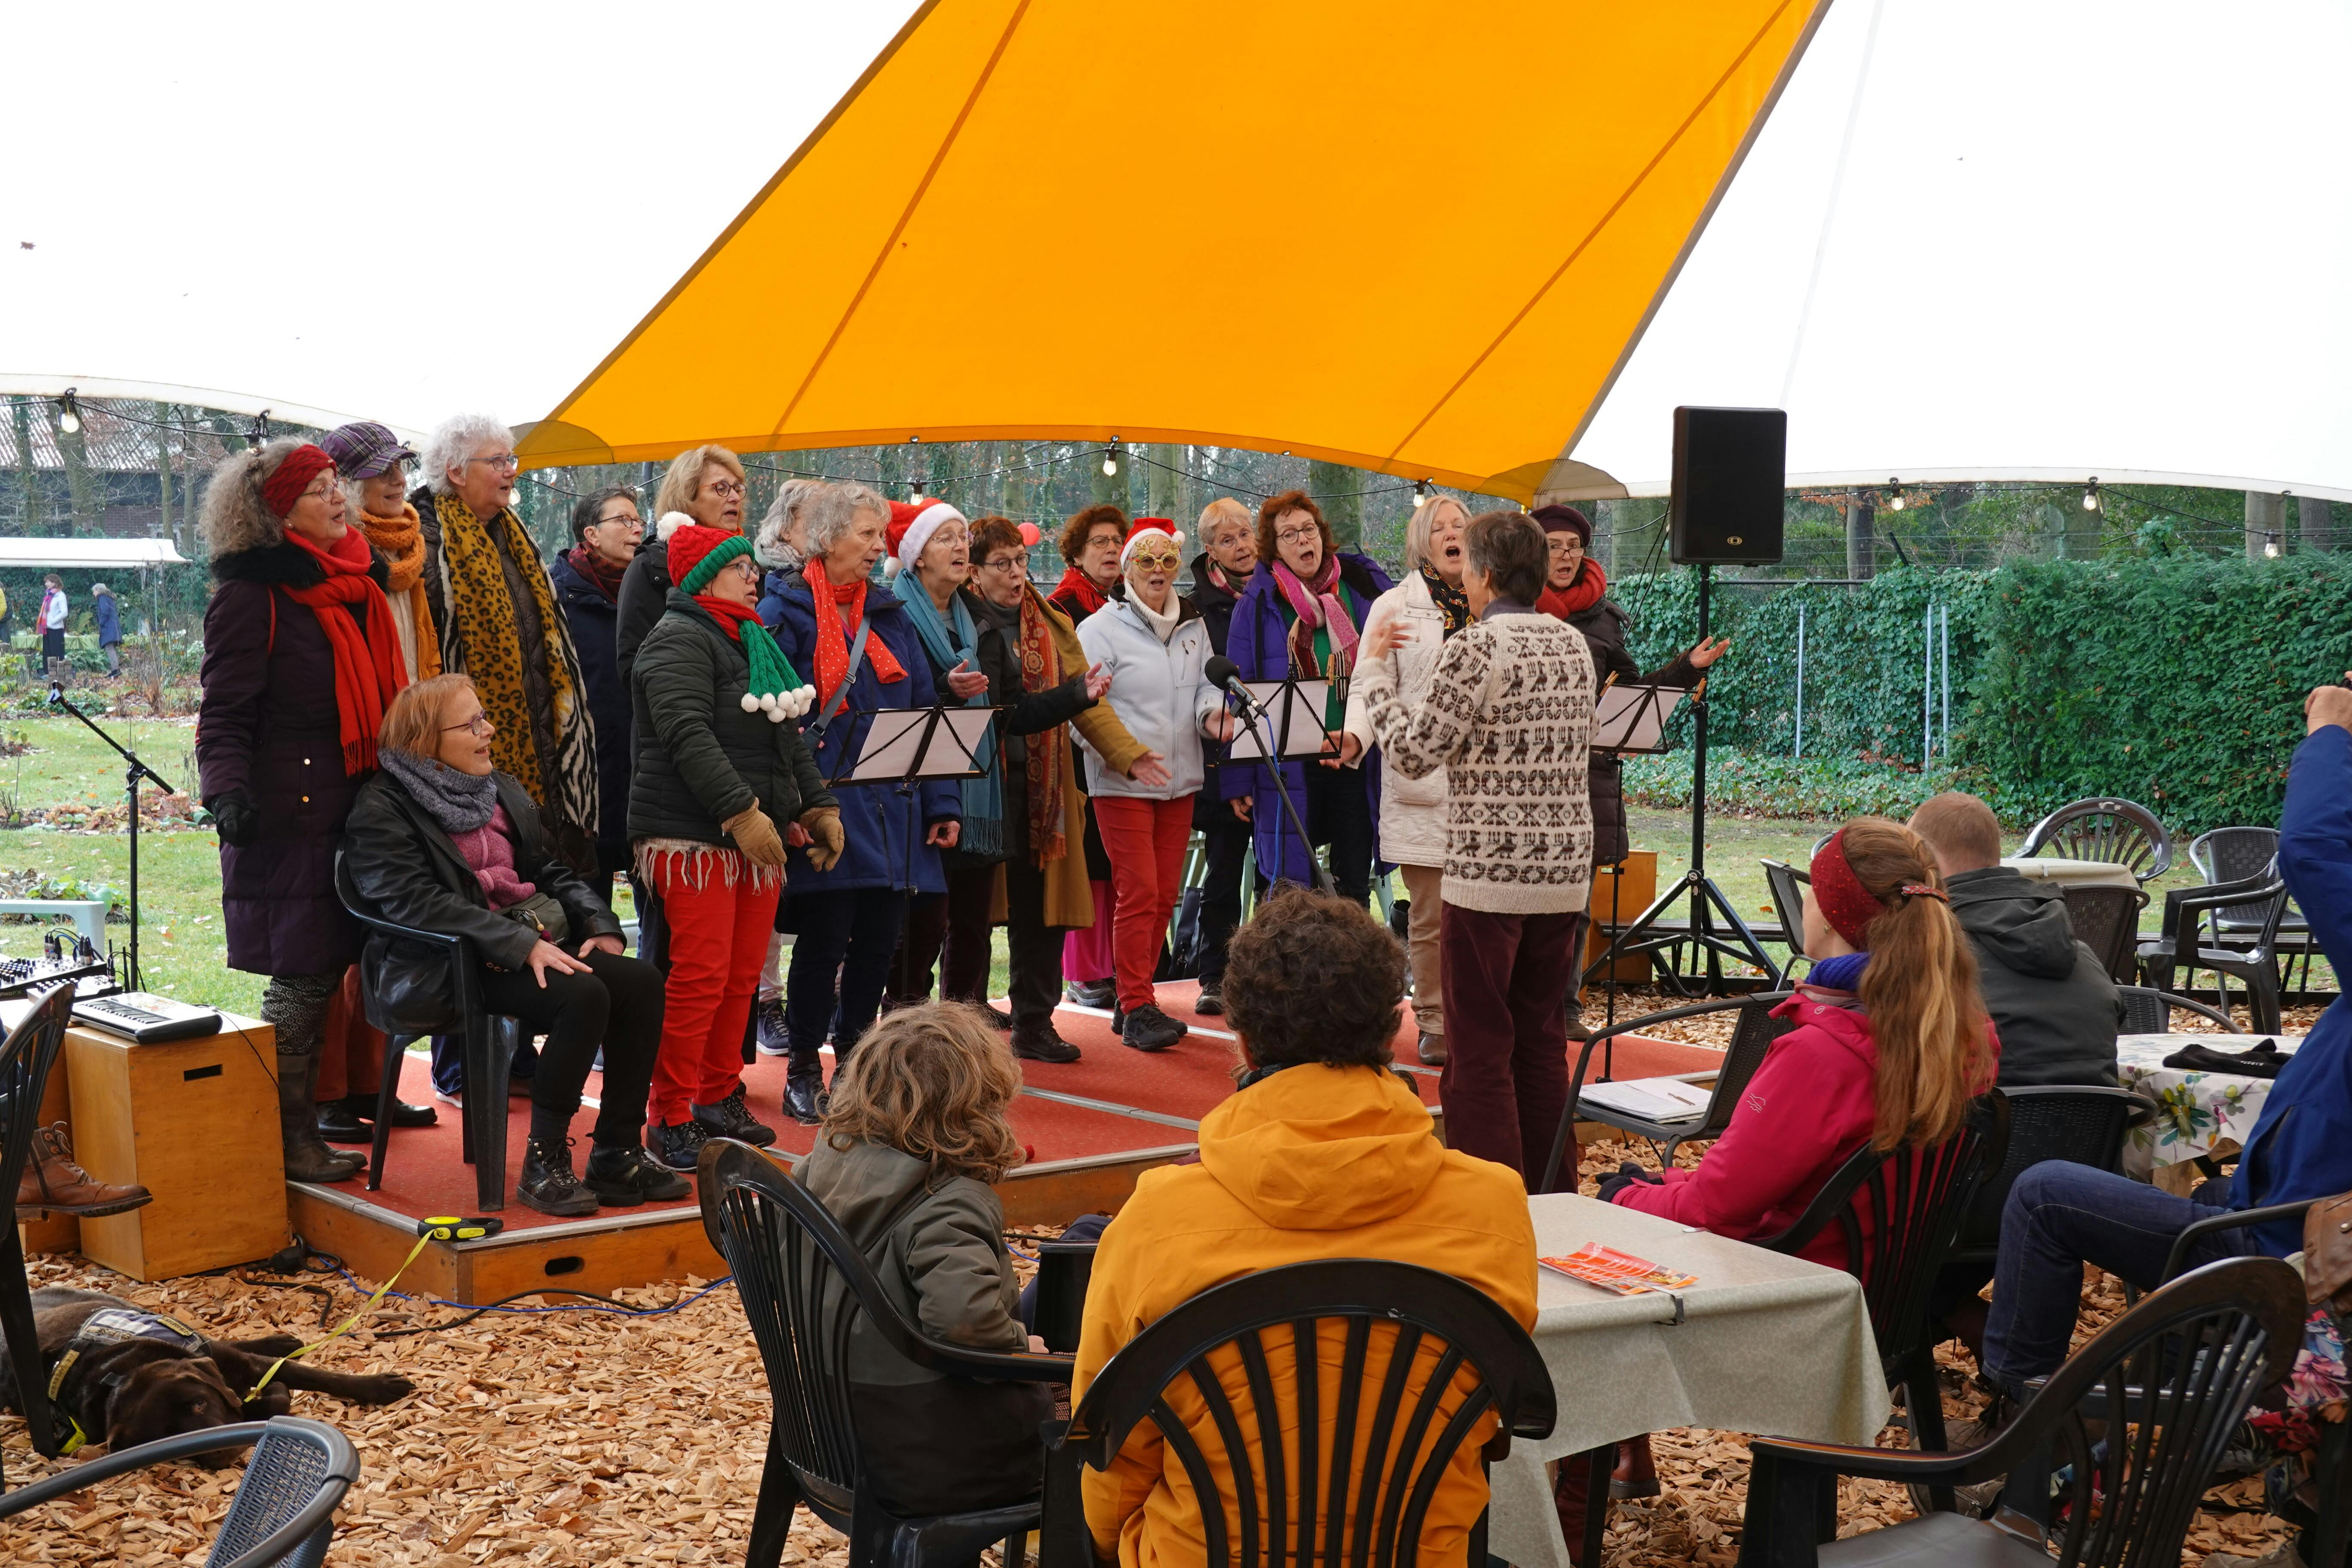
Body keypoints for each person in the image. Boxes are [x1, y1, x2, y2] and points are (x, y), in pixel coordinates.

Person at [1072, 891, 1537, 1568]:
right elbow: (1491, 1429)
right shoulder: (1493, 1206)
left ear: (1241, 1038)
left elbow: (1111, 1446)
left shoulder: (1160, 1217)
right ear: (1388, 1033)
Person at [1593, 817, 1999, 1536]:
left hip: (1788, 1308)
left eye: (1812, 892)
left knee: (1600, 1235)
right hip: (1884, 1299)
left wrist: (1622, 1195)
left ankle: (1581, 1505)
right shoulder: (1961, 1032)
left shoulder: (1822, 1055)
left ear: (1835, 916)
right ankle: (1634, 1460)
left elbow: (1713, 1208)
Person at [1981, 686, 2352, 1410]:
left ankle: (2014, 1419)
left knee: (2043, 1192)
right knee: (2184, 1190)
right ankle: (2180, 1399)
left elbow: (2311, 848)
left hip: (2273, 1258)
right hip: (2266, 1220)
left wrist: (2329, 731)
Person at [345, 676, 686, 1213]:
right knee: (583, 994)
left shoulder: (496, 787)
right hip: (442, 964)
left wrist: (600, 923)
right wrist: (516, 942)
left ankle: (616, 1152)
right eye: (472, 724)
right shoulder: (383, 806)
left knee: (641, 981)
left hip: (523, 942)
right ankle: (544, 1161)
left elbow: (548, 868)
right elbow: (412, 901)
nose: (491, 730)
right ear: (425, 740)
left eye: (484, 717)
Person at [1355, 510, 1592, 1187]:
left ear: (1485, 573)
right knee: (1542, 1044)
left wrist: (1374, 678)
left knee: (1481, 1048)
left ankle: (1491, 1200)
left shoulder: (1477, 646)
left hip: (1490, 875)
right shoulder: (1572, 644)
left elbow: (1413, 750)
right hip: (1563, 872)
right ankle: (1556, 1196)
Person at [197, 440, 408, 1183]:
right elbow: (223, 712)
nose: (338, 498)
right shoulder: (252, 595)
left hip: (356, 804)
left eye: (334, 485)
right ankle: (287, 1141)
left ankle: (305, 1128)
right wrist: (227, 793)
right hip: (285, 814)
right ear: (276, 509)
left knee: (330, 973)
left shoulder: (351, 581)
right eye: (320, 489)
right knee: (302, 976)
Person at [796, 1001, 1054, 1515]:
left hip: (825, 1430)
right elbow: (964, 1324)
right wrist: (1028, 1350)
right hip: (931, 1453)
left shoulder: (821, 1162)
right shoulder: (947, 1201)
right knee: (1099, 1407)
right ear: (978, 1104)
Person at [631, 523, 832, 1170]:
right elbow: (687, 736)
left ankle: (717, 1097)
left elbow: (786, 741)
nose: (755, 575)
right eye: (738, 566)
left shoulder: (750, 639)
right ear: (701, 579)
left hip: (752, 837)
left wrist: (816, 804)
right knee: (700, 978)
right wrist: (743, 813)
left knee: (742, 978)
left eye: (753, 564)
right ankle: (668, 1115)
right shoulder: (677, 640)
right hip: (692, 837)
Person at [770, 482, 957, 1125]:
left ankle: (854, 1065)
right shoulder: (784, 610)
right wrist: (796, 806)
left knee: (878, 945)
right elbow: (776, 720)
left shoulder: (889, 615)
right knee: (824, 945)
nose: (880, 549)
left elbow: (926, 712)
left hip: (894, 809)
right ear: (825, 537)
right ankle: (802, 1067)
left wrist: (942, 804)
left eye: (881, 536)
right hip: (827, 809)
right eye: (866, 535)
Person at [1530, 502, 1726, 1037]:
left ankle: (1565, 1009)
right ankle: (1522, 1008)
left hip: (1588, 778)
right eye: (1554, 546)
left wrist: (1688, 669)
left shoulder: (1606, 620)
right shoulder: (1513, 610)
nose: (1566, 556)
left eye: (1574, 546)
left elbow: (1635, 697)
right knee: (1527, 906)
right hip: (1527, 781)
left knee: (1576, 906)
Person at [964, 515, 1143, 1062]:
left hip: (1044, 787)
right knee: (968, 915)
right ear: (974, 572)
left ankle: (1034, 1024)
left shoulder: (1051, 619)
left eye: (1021, 561)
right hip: (978, 789)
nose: (1017, 574)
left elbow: (1085, 699)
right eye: (1002, 564)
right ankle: (963, 1021)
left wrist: (1128, 754)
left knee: (1041, 910)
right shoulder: (959, 619)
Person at [412, 413, 600, 873]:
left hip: (546, 750)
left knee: (555, 885)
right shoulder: (423, 545)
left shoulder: (513, 537)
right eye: (497, 461)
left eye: (511, 458)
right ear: (456, 472)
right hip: (468, 754)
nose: (511, 470)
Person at [1076, 519, 1232, 1052]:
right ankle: (1139, 1004)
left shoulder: (1194, 624)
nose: (1160, 570)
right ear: (1126, 571)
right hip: (1122, 781)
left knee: (1165, 894)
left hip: (1181, 779)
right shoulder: (1100, 628)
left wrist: (1216, 717)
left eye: (1168, 560)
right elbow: (1085, 709)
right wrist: (1128, 756)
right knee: (1138, 891)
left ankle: (1131, 999)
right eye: (1147, 560)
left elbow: (1205, 691)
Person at [1343, 496, 1470, 1064]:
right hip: (1422, 781)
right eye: (1438, 527)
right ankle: (1436, 1021)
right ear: (1421, 541)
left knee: (1483, 916)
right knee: (1431, 916)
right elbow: (1369, 680)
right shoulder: (1394, 606)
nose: (1451, 534)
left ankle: (1479, 1014)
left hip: (1488, 789)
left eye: (1461, 526)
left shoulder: (1494, 603)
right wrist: (1354, 739)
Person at [1225, 490, 1393, 902]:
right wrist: (1238, 778)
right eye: (1289, 534)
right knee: (1290, 885)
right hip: (1288, 765)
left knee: (1354, 878)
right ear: (1274, 548)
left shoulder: (1356, 591)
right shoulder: (1258, 603)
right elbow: (1238, 693)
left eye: (1309, 530)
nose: (1304, 541)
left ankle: (1353, 962)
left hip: (1354, 754)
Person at [1908, 791, 2120, 1087]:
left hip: (1982, 1129)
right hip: (2094, 1129)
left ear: (1927, 858)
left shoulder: (1937, 958)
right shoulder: (2082, 954)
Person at [879, 500, 994, 1012]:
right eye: (945, 537)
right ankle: (902, 1021)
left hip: (976, 785)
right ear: (916, 556)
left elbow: (1009, 699)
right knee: (923, 921)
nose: (960, 545)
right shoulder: (892, 615)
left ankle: (961, 1030)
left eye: (963, 536)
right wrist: (946, 688)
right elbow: (902, 699)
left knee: (971, 917)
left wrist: (1078, 694)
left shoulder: (977, 616)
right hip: (915, 788)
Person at [749, 478, 826, 1054]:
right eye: (817, 517)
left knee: (817, 895)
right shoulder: (776, 597)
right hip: (788, 755)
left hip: (824, 762)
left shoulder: (831, 590)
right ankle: (766, 1003)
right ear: (785, 530)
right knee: (772, 888)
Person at [1049, 503, 1130, 1008]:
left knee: (1120, 862)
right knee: (1091, 862)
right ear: (1077, 553)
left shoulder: (1131, 602)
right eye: (1099, 542)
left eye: (1117, 541)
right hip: (1079, 747)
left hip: (1127, 746)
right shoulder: (1061, 606)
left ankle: (1123, 964)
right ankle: (1084, 971)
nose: (1111, 550)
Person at [549, 485, 645, 890]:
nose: (637, 529)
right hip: (582, 778)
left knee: (661, 913)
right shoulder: (555, 594)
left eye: (639, 520)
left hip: (645, 768)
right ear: (591, 534)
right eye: (624, 520)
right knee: (593, 911)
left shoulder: (651, 591)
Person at [1183, 497, 1258, 1015]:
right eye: (1227, 540)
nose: (1242, 546)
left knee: (1280, 871)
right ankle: (1215, 974)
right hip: (1221, 753)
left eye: (1246, 534)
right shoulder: (1196, 608)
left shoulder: (1280, 593)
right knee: (1225, 870)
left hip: (1275, 743)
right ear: (1210, 550)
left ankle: (1273, 974)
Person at [615, 443, 749, 688]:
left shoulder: (747, 567)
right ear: (687, 497)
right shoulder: (651, 566)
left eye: (738, 488)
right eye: (721, 488)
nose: (734, 497)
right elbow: (633, 664)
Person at [322, 421, 438, 683]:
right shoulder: (338, 555)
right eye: (384, 471)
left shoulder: (411, 546)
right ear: (345, 484)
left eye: (399, 467)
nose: (400, 480)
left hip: (415, 711)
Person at [37, 574, 67, 672]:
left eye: (48, 582)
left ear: (54, 583)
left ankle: (58, 674)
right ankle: (48, 672)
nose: (46, 584)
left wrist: (53, 621)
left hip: (57, 629)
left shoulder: (61, 596)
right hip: (47, 629)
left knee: (57, 652)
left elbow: (64, 613)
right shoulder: (49, 595)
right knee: (47, 652)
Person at [91, 583, 120, 677]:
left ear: (99, 590)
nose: (94, 594)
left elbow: (105, 612)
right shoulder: (108, 598)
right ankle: (115, 668)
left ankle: (115, 670)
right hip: (113, 627)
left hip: (109, 628)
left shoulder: (102, 598)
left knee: (109, 648)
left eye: (94, 591)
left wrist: (101, 623)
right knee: (112, 648)